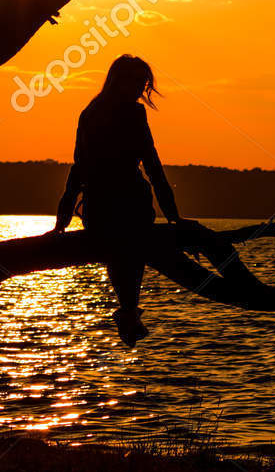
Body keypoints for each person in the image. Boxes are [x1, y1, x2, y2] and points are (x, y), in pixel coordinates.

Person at [51, 54, 182, 345]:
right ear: (120, 81)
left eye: (143, 83)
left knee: (126, 240)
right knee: (128, 240)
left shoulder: (92, 112)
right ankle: (128, 312)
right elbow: (149, 165)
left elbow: (80, 169)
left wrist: (174, 216)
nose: (140, 89)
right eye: (137, 82)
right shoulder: (110, 114)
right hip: (111, 206)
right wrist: (61, 221)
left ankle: (128, 311)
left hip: (111, 207)